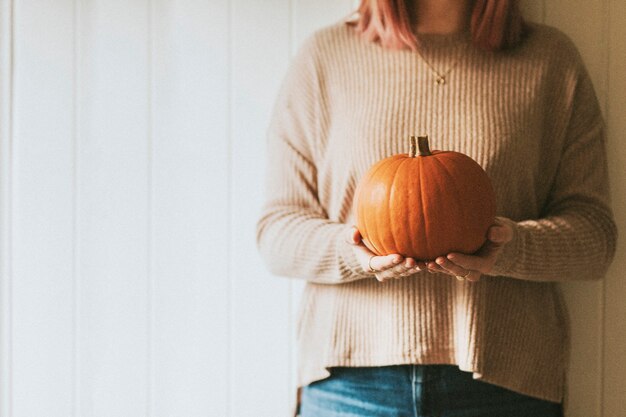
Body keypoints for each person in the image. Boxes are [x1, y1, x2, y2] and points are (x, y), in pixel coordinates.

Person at [256, 0, 618, 416]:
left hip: (505, 386)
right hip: (350, 384)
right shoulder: (325, 56)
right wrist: (356, 249)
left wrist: (510, 248)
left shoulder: (550, 59)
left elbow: (595, 236)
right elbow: (276, 232)